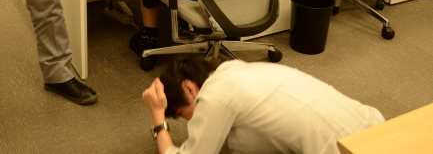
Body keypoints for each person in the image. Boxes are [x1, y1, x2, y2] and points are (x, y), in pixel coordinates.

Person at [142, 56, 385, 154]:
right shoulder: (234, 69)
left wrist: (157, 119)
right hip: (377, 128)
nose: (193, 121)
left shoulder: (214, 97)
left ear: (189, 88)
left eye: (187, 114)